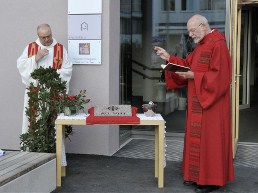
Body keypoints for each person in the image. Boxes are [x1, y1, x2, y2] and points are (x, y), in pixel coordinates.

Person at [154, 14, 235, 193]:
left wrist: (194, 76)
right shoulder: (201, 46)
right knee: (197, 141)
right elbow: (186, 65)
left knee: (210, 142)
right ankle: (197, 176)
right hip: (198, 103)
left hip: (212, 106)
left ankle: (210, 181)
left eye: (192, 30)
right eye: (189, 31)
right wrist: (168, 58)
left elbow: (220, 77)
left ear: (203, 26)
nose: (190, 35)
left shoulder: (218, 44)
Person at [17, 23, 73, 134]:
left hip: (53, 93)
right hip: (35, 93)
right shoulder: (30, 48)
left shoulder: (60, 49)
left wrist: (51, 76)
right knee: (34, 122)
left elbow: (68, 70)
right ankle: (33, 151)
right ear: (38, 36)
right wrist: (36, 58)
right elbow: (21, 65)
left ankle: (54, 150)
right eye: (44, 37)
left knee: (53, 124)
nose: (47, 39)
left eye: (49, 36)